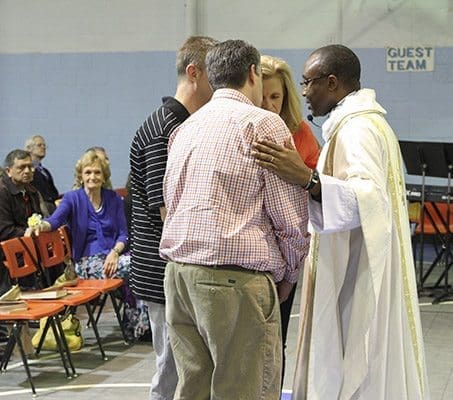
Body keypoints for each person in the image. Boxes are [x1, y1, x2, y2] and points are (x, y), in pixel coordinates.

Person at [252, 44, 429, 399]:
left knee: (354, 363)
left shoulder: (357, 131)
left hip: (358, 271)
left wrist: (307, 178)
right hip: (355, 260)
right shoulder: (365, 124)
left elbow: (368, 198)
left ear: (332, 83)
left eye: (308, 82)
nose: (304, 92)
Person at [160, 39, 310, 400]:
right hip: (232, 280)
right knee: (244, 390)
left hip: (180, 276)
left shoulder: (187, 128)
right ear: (253, 74)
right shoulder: (264, 125)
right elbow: (289, 217)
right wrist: (290, 274)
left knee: (192, 388)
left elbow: (172, 199)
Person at [129, 35, 218, 400]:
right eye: (217, 77)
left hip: (176, 272)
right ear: (194, 73)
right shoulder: (164, 129)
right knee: (172, 373)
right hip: (162, 275)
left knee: (190, 369)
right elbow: (167, 213)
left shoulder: (182, 124)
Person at [28, 149, 149, 341]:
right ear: (81, 176)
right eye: (88, 172)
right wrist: (40, 225)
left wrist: (115, 253)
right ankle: (139, 327)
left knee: (144, 265)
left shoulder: (113, 199)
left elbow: (123, 234)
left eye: (97, 172)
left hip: (113, 259)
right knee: (139, 267)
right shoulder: (72, 198)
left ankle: (139, 327)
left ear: (104, 176)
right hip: (85, 263)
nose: (92, 177)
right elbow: (54, 221)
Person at [261, 54, 319, 387]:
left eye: (276, 97)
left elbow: (315, 190)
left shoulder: (300, 133)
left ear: (286, 98)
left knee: (275, 342)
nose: (269, 105)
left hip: (287, 256)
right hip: (249, 254)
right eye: (263, 96)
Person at [0, 149, 44, 295]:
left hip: (27, 245)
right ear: (8, 171)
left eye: (30, 166)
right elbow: (4, 230)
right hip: (7, 249)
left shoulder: (32, 191)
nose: (27, 171)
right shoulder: (2, 192)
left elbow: (39, 218)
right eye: (21, 167)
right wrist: (28, 233)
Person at [25, 135, 60, 213]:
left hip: (51, 208)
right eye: (39, 145)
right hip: (37, 209)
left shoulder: (45, 171)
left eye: (44, 145)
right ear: (29, 148)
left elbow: (53, 192)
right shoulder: (26, 170)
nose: (43, 147)